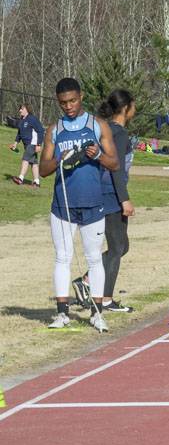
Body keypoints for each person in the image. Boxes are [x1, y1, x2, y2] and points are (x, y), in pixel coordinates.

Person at [40, 78, 120, 332]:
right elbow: (42, 169)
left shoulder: (97, 125)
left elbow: (115, 163)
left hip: (93, 204)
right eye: (63, 103)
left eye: (72, 101)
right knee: (63, 258)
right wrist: (59, 160)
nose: (69, 106)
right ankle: (62, 313)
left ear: (81, 97)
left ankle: (97, 313)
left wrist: (97, 155)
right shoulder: (54, 129)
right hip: (63, 207)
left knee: (94, 258)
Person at [95, 89, 137, 313]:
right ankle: (106, 299)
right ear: (125, 108)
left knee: (122, 246)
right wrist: (125, 200)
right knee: (117, 247)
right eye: (133, 104)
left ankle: (86, 280)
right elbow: (116, 169)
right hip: (112, 196)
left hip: (101, 193)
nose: (135, 108)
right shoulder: (119, 134)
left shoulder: (104, 129)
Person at [10, 104, 44, 187]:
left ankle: (20, 179)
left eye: (21, 109)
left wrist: (39, 144)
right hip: (27, 145)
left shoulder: (32, 119)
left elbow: (41, 130)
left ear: (26, 109)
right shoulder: (22, 120)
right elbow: (19, 133)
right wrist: (15, 143)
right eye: (20, 109)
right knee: (34, 163)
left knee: (25, 159)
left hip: (32, 143)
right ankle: (37, 182)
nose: (20, 110)